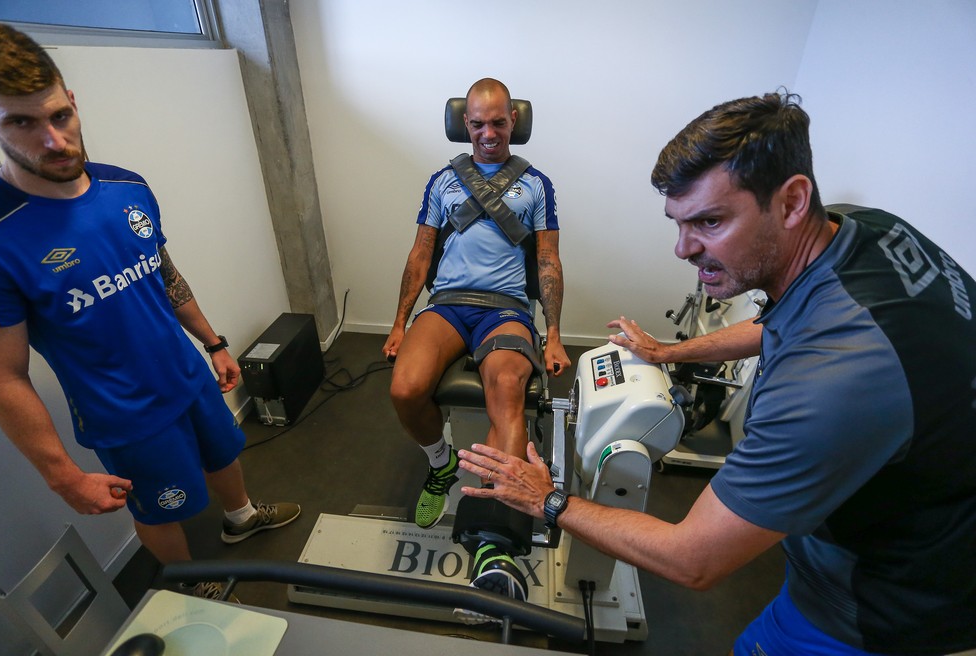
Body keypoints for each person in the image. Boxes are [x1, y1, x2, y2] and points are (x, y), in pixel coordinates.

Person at [458, 91, 976, 654]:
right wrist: (668, 353)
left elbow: (693, 559)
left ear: (792, 201)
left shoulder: (833, 384)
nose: (683, 248)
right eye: (678, 222)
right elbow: (786, 321)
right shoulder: (867, 232)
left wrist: (548, 500)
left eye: (710, 220)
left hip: (882, 612)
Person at [0, 23, 300, 601]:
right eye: (21, 123)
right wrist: (63, 477)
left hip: (186, 373)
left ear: (73, 102)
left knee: (225, 451)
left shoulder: (126, 185)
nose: (53, 141)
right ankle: (190, 585)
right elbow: (2, 375)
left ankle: (240, 516)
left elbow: (164, 274)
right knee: (162, 508)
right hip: (125, 413)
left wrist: (213, 343)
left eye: (58, 116)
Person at [382, 78, 570, 603]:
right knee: (404, 389)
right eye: (479, 123)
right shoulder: (442, 182)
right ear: (464, 124)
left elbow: (547, 261)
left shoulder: (538, 186)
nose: (489, 133)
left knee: (507, 392)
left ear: (515, 121)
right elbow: (421, 253)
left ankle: (496, 539)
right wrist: (399, 321)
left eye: (499, 122)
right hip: (447, 306)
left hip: (506, 309)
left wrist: (553, 333)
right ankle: (441, 462)